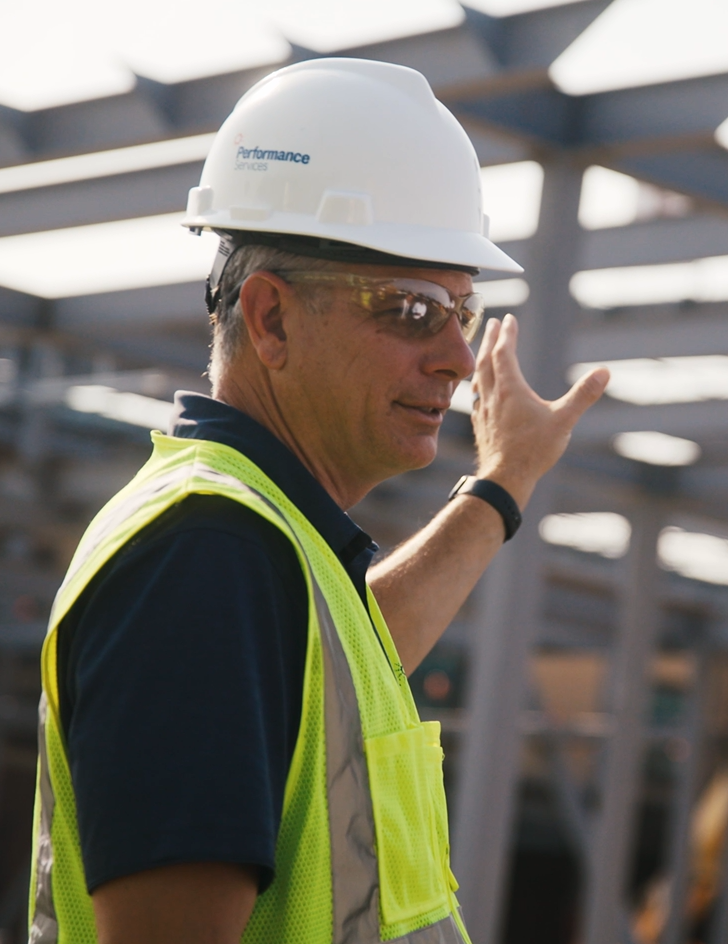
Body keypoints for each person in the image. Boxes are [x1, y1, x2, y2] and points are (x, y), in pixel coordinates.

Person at [28, 57, 608, 944]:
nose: (457, 354)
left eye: (464, 305)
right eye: (413, 309)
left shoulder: (261, 544)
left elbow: (339, 672)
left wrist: (503, 480)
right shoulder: (206, 554)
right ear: (269, 320)